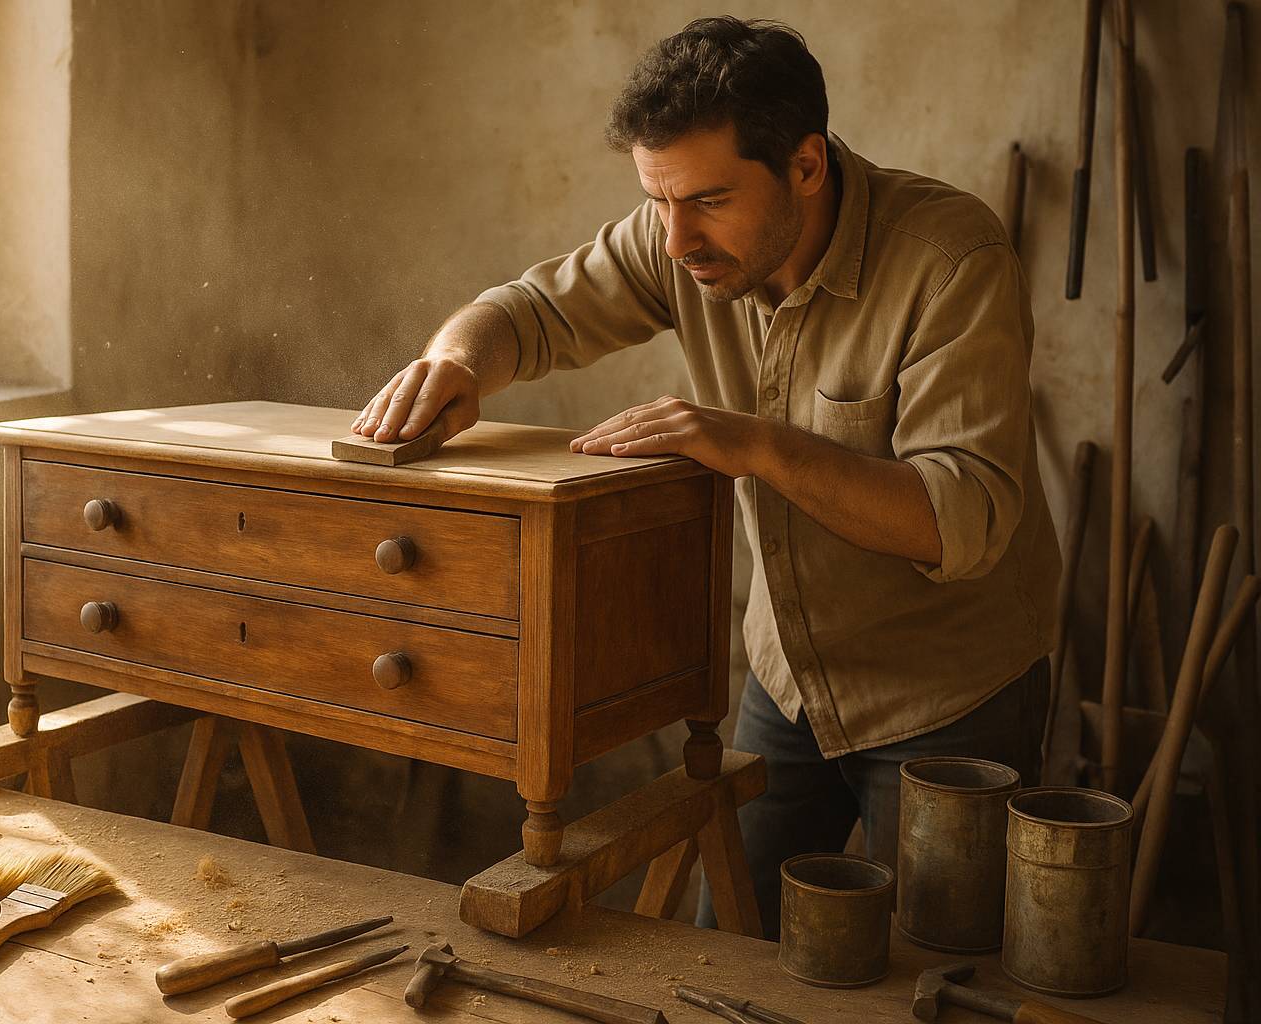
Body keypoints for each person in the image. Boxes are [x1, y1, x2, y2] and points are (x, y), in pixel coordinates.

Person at [349, 16, 1060, 938]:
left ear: (806, 166)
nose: (677, 237)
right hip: (788, 673)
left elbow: (959, 520)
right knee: (725, 943)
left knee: (931, 974)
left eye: (709, 200)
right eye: (658, 199)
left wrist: (758, 444)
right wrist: (454, 362)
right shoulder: (679, 235)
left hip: (947, 697)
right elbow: (525, 310)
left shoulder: (952, 260)